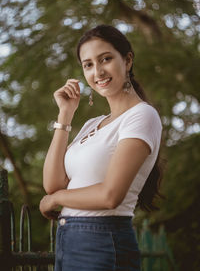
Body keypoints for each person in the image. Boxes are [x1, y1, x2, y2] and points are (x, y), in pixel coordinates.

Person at [39, 24, 163, 271]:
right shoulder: (92, 124)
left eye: (105, 59)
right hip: (69, 239)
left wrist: (55, 200)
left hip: (103, 242)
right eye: (88, 64)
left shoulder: (142, 116)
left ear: (127, 60)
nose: (98, 71)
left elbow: (110, 195)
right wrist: (65, 115)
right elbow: (53, 183)